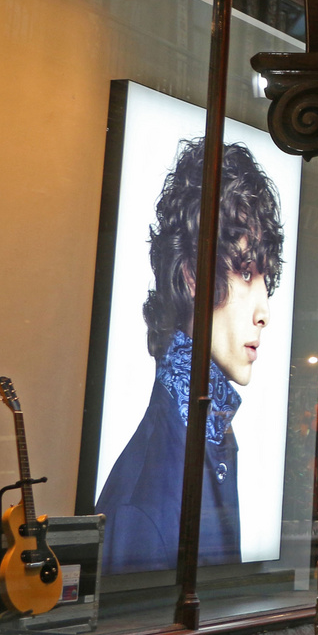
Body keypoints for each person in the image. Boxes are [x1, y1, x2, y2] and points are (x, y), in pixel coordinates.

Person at [96, 138, 284, 574]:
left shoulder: (209, 438)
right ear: (193, 276)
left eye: (264, 278)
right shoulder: (147, 499)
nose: (265, 312)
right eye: (245, 272)